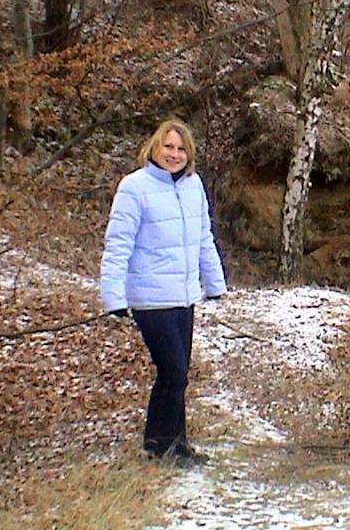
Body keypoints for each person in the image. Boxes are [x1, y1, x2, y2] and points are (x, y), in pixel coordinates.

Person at [100, 118, 226, 465]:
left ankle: (171, 444)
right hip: (149, 297)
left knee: (178, 374)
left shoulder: (193, 185)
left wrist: (214, 284)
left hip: (183, 297)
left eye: (181, 148)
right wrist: (114, 297)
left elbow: (204, 237)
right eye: (168, 146)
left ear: (190, 154)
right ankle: (163, 448)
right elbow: (118, 244)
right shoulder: (134, 187)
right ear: (154, 148)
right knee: (172, 371)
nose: (174, 154)